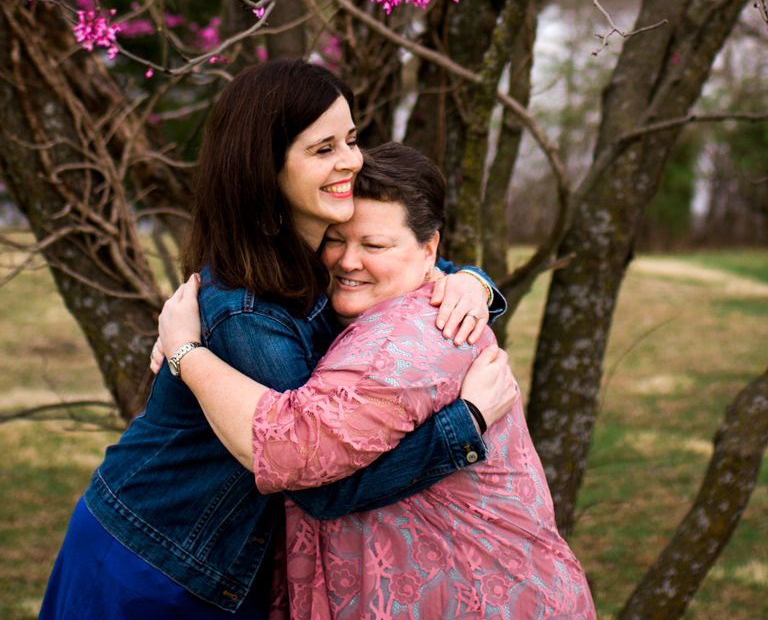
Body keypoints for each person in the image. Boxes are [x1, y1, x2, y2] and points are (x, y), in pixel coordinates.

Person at [40, 58, 515, 619]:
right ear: (266, 168)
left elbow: (403, 264)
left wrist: (471, 282)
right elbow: (319, 484)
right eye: (323, 149)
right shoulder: (245, 310)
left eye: (351, 139)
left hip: (232, 563)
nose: (351, 162)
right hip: (155, 561)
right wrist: (466, 425)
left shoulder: (320, 257)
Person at [158, 142, 596, 620]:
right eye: (336, 239)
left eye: (374, 246)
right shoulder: (390, 303)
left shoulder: (405, 342)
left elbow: (294, 453)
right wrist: (474, 279)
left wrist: (186, 352)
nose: (348, 261)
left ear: (429, 249)